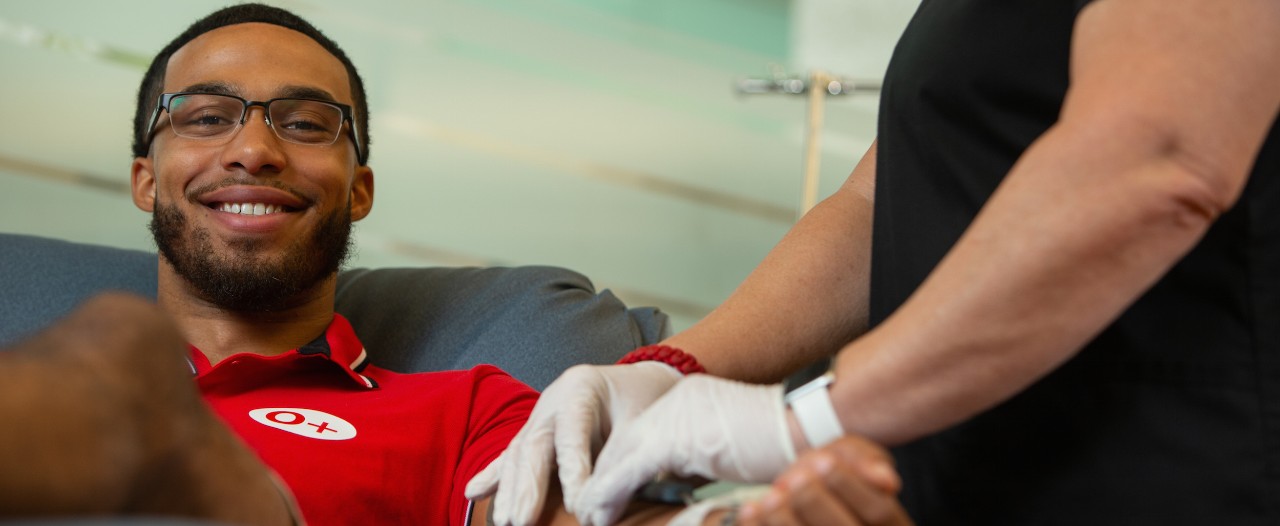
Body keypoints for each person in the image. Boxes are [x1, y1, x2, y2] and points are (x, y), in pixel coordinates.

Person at [1, 3, 911, 525]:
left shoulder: (467, 410)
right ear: (142, 180)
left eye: (306, 123)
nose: (253, 150)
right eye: (206, 117)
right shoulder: (38, 371)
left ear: (359, 190)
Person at [469, 0, 1280, 524]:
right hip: (971, 474)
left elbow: (1159, 165)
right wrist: (676, 368)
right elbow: (876, 206)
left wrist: (811, 419)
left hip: (1175, 468)